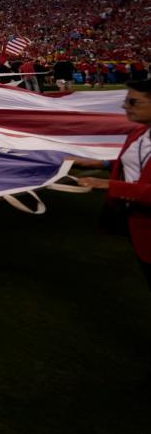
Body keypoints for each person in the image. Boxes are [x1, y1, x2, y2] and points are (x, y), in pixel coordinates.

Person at [73, 79, 151, 290]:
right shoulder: (139, 133)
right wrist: (100, 163)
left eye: (133, 102)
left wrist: (108, 185)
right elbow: (136, 162)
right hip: (136, 225)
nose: (124, 106)